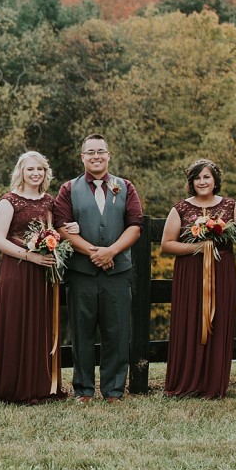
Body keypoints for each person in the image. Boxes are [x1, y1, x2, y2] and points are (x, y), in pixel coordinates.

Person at [53, 133, 143, 403]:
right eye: (90, 152)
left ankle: (114, 390)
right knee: (81, 332)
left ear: (108, 156)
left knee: (117, 332)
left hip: (117, 273)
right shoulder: (68, 189)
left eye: (100, 151)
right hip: (81, 273)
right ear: (82, 157)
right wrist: (95, 253)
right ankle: (84, 390)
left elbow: (135, 226)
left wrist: (111, 251)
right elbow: (61, 227)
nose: (96, 156)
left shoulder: (125, 186)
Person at [0, 151, 78, 404]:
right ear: (21, 172)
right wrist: (30, 257)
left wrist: (73, 228)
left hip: (43, 273)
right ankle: (15, 388)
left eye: (40, 169)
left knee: (41, 325)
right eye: (30, 169)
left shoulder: (49, 201)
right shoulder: (9, 201)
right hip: (18, 270)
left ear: (45, 172)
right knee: (18, 324)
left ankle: (41, 385)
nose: (35, 173)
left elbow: (57, 229)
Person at [160, 159, 236, 399]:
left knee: (219, 320)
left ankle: (214, 383)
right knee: (190, 321)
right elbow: (167, 244)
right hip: (190, 273)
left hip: (222, 270)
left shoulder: (230, 205)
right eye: (197, 178)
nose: (202, 182)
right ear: (191, 182)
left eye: (206, 177)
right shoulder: (180, 208)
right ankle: (186, 382)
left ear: (215, 180)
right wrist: (198, 247)